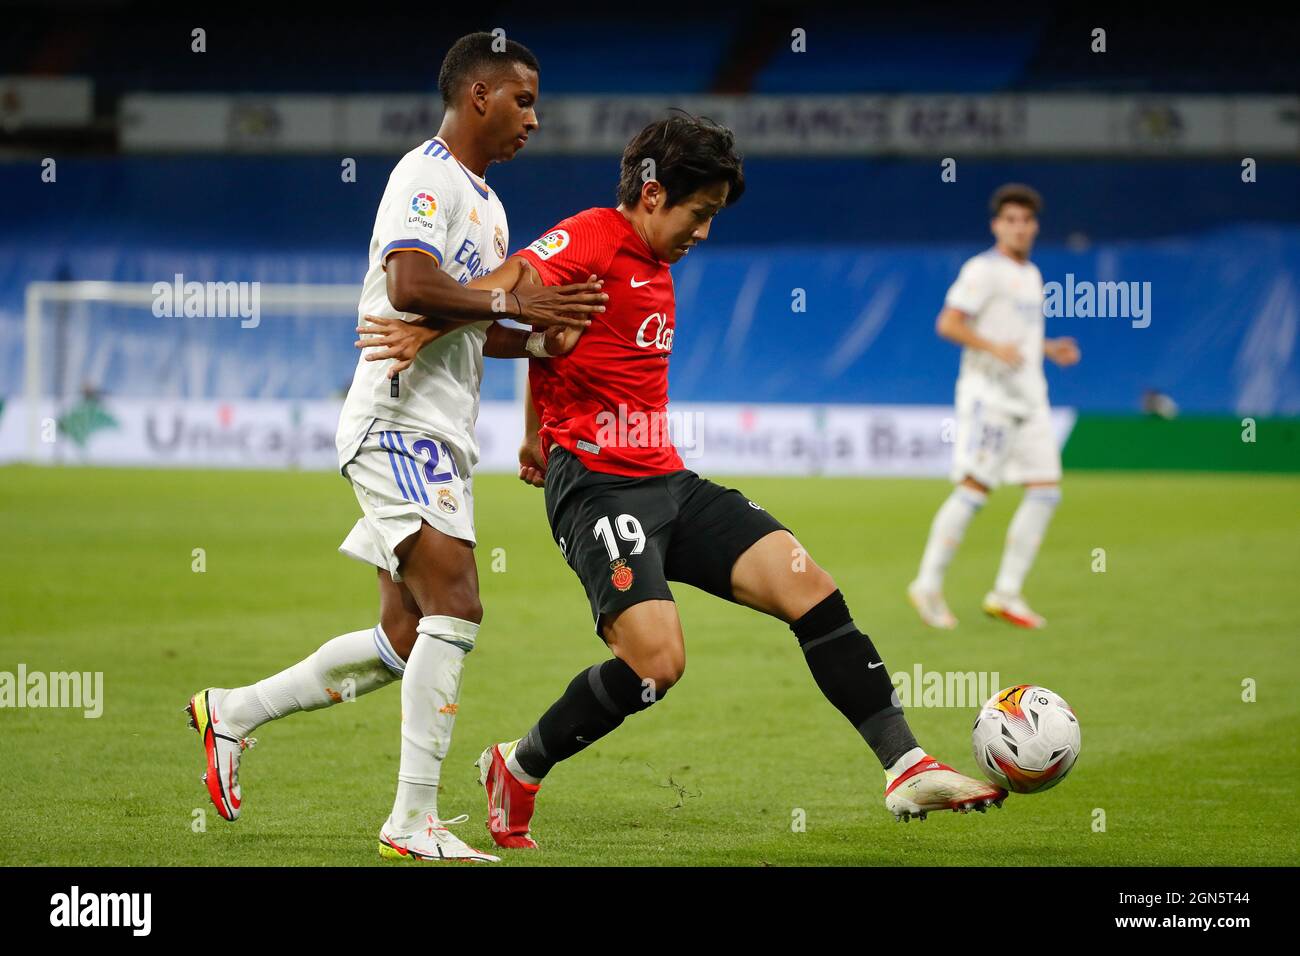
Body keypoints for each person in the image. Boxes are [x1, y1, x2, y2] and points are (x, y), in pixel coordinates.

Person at [366, 114, 1008, 850]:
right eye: (698, 213)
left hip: (668, 480)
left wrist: (531, 427)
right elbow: (516, 283)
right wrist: (431, 325)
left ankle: (906, 764)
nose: (704, 231)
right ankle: (518, 764)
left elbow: (555, 339)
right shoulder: (594, 234)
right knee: (657, 664)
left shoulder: (652, 262)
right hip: (599, 489)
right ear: (651, 192)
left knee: (811, 586)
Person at [184, 31, 606, 864]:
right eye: (523, 100)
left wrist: (539, 337)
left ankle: (231, 712)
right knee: (458, 605)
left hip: (440, 428)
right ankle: (412, 822)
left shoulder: (486, 204)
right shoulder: (425, 177)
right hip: (397, 420)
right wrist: (521, 309)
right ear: (478, 94)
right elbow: (411, 286)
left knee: (406, 637)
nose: (534, 118)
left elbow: (461, 329)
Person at [908, 184, 1080, 630]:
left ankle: (1006, 593)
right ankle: (927, 584)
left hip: (1030, 398)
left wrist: (1047, 347)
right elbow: (947, 323)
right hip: (991, 399)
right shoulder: (982, 270)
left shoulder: (1032, 274)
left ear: (1035, 226)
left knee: (1046, 490)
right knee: (974, 488)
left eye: (1026, 220)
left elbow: (1017, 336)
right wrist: (992, 347)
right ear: (996, 225)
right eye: (1011, 220)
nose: (1019, 228)